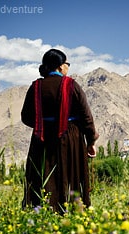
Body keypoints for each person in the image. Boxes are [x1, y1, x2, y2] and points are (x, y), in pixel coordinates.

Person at [21, 49, 99, 213]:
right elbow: (86, 117)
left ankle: (41, 211)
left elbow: (26, 117)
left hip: (41, 139)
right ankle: (72, 212)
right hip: (69, 138)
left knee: (43, 176)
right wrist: (91, 141)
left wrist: (43, 124)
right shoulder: (71, 85)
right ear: (61, 66)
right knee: (70, 175)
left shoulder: (36, 87)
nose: (68, 67)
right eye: (67, 64)